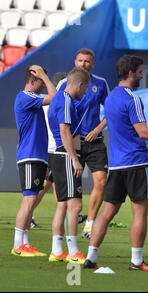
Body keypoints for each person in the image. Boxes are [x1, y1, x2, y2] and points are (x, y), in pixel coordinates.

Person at [83, 55, 148, 271]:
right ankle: (136, 261)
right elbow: (142, 130)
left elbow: (122, 130)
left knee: (107, 212)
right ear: (130, 73)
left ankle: (90, 257)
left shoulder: (110, 99)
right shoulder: (133, 98)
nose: (142, 74)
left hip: (117, 165)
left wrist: (141, 146)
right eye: (140, 71)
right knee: (140, 213)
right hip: (136, 164)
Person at [57, 48, 110, 240]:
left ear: (93, 64)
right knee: (69, 186)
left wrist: (98, 129)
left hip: (95, 140)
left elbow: (111, 111)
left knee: (102, 181)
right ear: (74, 62)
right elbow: (56, 109)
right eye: (80, 61)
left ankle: (90, 224)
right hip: (74, 142)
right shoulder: (64, 84)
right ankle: (63, 228)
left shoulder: (101, 83)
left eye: (87, 61)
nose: (83, 64)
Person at [11, 65, 57, 257]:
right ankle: (17, 245)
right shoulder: (26, 96)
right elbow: (55, 97)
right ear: (32, 80)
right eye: (40, 80)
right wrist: (46, 76)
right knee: (29, 201)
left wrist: (43, 77)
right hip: (29, 155)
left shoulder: (32, 100)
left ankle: (25, 243)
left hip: (37, 155)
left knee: (31, 200)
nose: (44, 85)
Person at [47, 67, 90, 263]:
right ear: (80, 84)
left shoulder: (60, 99)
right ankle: (73, 252)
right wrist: (74, 158)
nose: (86, 92)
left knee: (63, 205)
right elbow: (64, 130)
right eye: (86, 88)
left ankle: (57, 250)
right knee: (75, 205)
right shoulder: (64, 99)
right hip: (65, 155)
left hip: (59, 154)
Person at [30, 72, 67, 229]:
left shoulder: (45, 102)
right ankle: (29, 214)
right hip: (55, 149)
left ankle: (64, 215)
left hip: (47, 149)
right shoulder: (57, 102)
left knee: (49, 184)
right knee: (47, 185)